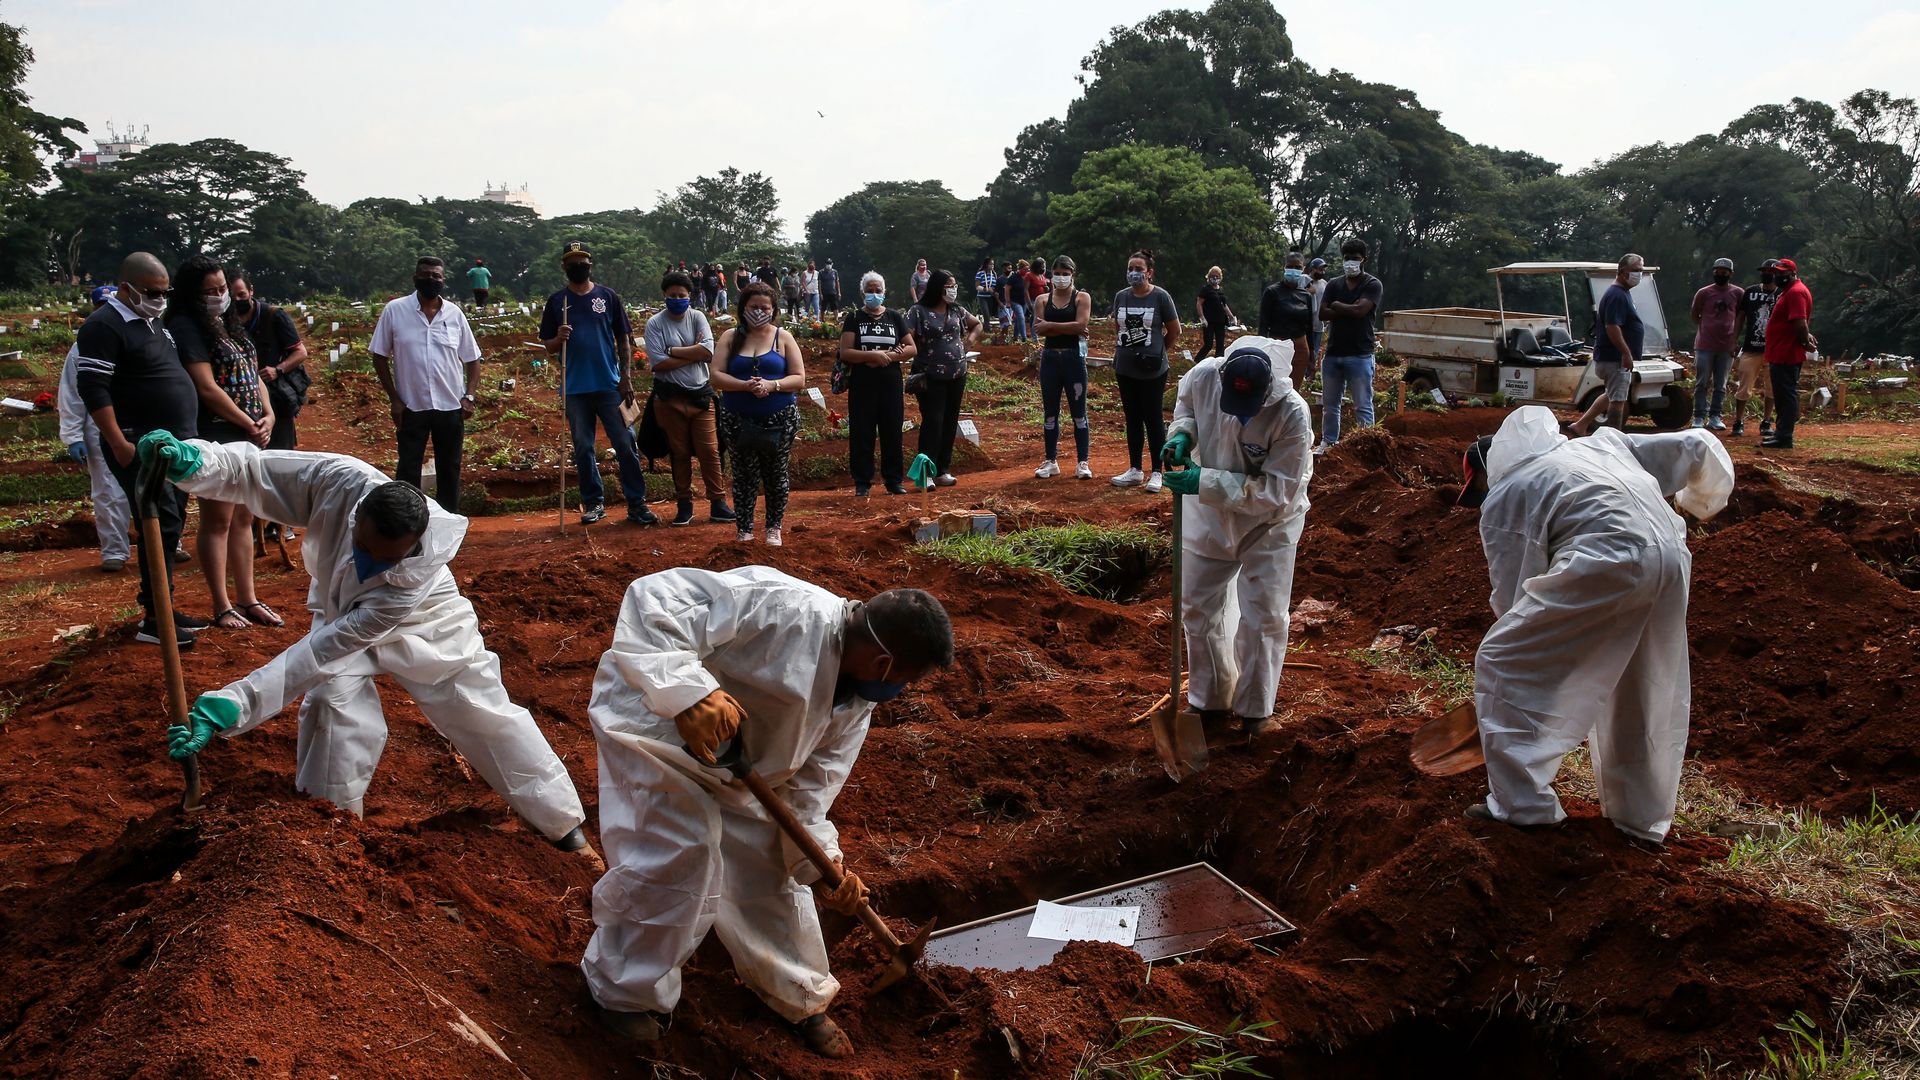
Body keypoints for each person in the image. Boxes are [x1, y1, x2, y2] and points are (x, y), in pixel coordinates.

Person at [146, 434, 594, 855]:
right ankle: (330, 829)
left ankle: (557, 819)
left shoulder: (406, 584)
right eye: (364, 547)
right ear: (357, 515)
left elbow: (323, 652)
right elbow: (251, 470)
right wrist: (195, 460)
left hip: (429, 621)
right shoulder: (340, 480)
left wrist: (236, 701)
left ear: (412, 544)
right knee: (330, 705)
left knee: (475, 704)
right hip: (340, 612)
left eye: (386, 557)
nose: (368, 562)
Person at [581, 569, 954, 1057]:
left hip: (743, 767)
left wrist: (824, 865)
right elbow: (654, 597)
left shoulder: (858, 701)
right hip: (656, 731)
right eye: (904, 679)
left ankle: (800, 995)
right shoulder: (780, 607)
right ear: (884, 661)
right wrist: (687, 692)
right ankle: (626, 994)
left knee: (774, 870)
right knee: (682, 854)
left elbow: (809, 794)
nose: (898, 689)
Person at [1455, 406, 1734, 844]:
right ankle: (1639, 822)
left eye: (1479, 487)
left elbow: (1513, 592)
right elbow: (1695, 444)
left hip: (1606, 561)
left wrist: (1517, 686)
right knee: (1640, 686)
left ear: (1493, 468)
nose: (1482, 497)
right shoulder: (1602, 444)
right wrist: (1700, 500)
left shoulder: (1509, 493)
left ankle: (1521, 807)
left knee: (1503, 660)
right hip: (1669, 555)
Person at [1161, 336, 1314, 737]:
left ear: (1268, 390)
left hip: (1268, 526)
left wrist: (1204, 480)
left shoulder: (1292, 415)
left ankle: (1255, 711)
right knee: (1197, 605)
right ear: (1223, 378)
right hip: (1209, 514)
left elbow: (1275, 493)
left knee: (1263, 616)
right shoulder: (1204, 376)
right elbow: (1187, 407)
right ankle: (1210, 700)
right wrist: (1182, 434)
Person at [74, 252, 207, 647]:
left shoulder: (152, 322)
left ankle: (163, 607)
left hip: (171, 444)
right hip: (139, 444)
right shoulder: (104, 326)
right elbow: (93, 389)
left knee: (170, 524)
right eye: (153, 291)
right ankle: (155, 619)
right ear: (127, 288)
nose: (160, 298)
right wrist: (119, 443)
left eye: (165, 291)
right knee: (158, 521)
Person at [167, 255, 278, 631]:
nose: (218, 296)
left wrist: (269, 415)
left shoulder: (229, 325)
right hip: (218, 431)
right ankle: (222, 604)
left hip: (250, 430)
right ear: (191, 294)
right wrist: (249, 422)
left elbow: (253, 374)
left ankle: (248, 598)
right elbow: (206, 387)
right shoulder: (186, 328)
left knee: (245, 516)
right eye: (210, 291)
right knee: (218, 519)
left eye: (222, 289)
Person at [539, 241, 656, 526]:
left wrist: (626, 377)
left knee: (626, 443)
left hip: (610, 385)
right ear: (564, 267)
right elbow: (548, 347)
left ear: (590, 265)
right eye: (572, 262)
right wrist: (559, 338)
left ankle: (636, 503)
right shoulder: (557, 302)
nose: (577, 266)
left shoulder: (608, 296)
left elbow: (624, 340)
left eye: (582, 261)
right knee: (583, 447)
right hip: (575, 388)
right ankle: (593, 502)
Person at [369, 256, 480, 514]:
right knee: (408, 468)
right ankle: (407, 523)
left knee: (450, 468)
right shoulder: (395, 311)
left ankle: (447, 523)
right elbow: (379, 356)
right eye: (426, 274)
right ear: (415, 278)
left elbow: (473, 359)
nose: (431, 279)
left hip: (450, 405)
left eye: (436, 276)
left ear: (443, 280)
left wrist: (470, 396)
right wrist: (394, 399)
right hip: (411, 406)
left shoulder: (454, 314)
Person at [714, 283, 806, 546]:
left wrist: (771, 385)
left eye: (765, 307)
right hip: (737, 419)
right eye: (753, 307)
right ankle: (744, 529)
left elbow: (799, 378)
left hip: (779, 418)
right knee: (743, 474)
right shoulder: (730, 337)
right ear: (743, 308)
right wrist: (744, 385)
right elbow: (716, 375)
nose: (759, 312)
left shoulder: (783, 337)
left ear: (774, 309)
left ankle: (773, 528)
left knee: (776, 473)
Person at [643, 270, 734, 526]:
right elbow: (657, 363)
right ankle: (684, 505)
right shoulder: (655, 323)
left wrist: (671, 350)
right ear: (665, 296)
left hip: (701, 396)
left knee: (710, 451)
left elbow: (708, 350)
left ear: (690, 296)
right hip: (670, 399)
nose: (677, 299)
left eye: (682, 295)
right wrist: (692, 353)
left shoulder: (697, 317)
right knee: (679, 453)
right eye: (672, 295)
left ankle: (718, 503)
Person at [56, 285, 132, 572]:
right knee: (107, 490)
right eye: (101, 306)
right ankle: (114, 550)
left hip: (137, 421)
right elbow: (72, 394)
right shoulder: (81, 348)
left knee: (154, 484)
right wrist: (74, 436)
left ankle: (166, 544)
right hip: (98, 424)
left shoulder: (134, 336)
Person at [838, 272, 915, 496]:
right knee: (862, 431)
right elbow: (846, 352)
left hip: (890, 382)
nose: (874, 294)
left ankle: (893, 480)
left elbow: (911, 347)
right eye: (870, 290)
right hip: (862, 383)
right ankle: (862, 482)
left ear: (884, 292)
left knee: (892, 430)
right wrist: (872, 356)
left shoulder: (894, 317)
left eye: (878, 291)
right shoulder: (854, 317)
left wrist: (888, 356)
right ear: (863, 292)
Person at [1110, 250, 1181, 492]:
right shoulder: (1121, 296)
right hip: (1125, 367)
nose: (1134, 273)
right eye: (1130, 268)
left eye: (1139, 269)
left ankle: (1157, 471)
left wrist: (1159, 351)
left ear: (1149, 272)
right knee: (1132, 418)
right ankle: (1135, 469)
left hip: (1153, 370)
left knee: (1153, 418)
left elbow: (1174, 330)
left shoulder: (1161, 297)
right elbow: (1117, 327)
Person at [905, 269, 982, 488]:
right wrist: (917, 347)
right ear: (938, 287)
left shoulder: (957, 310)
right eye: (949, 285)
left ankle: (941, 470)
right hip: (930, 375)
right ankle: (924, 474)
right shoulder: (918, 311)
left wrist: (968, 343)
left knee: (950, 421)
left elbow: (977, 325)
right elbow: (906, 335)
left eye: (954, 285)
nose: (953, 289)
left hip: (957, 374)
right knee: (933, 422)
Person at [231, 270, 308, 454]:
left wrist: (277, 370)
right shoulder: (225, 322)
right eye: (232, 296)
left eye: (241, 294)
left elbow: (300, 352)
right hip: (241, 400)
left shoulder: (274, 316)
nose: (238, 300)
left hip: (274, 396)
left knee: (279, 452)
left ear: (251, 291)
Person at [1316, 239, 1383, 451]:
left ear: (1364, 259)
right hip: (1334, 352)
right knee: (1330, 405)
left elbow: (1360, 311)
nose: (1350, 263)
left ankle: (1365, 446)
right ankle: (1328, 442)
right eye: (1347, 258)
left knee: (1363, 405)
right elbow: (1322, 313)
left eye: (1355, 258)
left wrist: (1336, 305)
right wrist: (1346, 308)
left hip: (1361, 353)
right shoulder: (1334, 284)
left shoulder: (1372, 284)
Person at [1031, 256, 1093, 480]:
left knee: (1079, 413)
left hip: (1073, 359)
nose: (1061, 277)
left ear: (1073, 275)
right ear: (1051, 275)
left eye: (1065, 273)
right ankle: (1051, 460)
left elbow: (1081, 324)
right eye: (1057, 272)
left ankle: (1082, 461)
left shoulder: (1081, 297)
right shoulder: (1042, 299)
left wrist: (1052, 326)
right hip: (1050, 359)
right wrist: (1069, 328)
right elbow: (1041, 330)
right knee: (1050, 413)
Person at [1762, 258, 1816, 450]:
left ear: (1793, 273)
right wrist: (1805, 337)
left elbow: (1800, 322)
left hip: (1786, 352)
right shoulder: (1791, 292)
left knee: (1786, 395)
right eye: (1776, 273)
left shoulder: (1795, 293)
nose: (1778, 276)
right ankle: (1781, 434)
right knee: (1783, 395)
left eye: (1782, 273)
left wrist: (1804, 341)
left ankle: (1784, 437)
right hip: (1781, 351)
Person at [1689, 258, 1742, 431]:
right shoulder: (1703, 293)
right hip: (1705, 344)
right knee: (1701, 382)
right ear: (1713, 272)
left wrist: (1734, 339)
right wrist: (1707, 328)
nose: (1720, 274)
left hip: (1726, 346)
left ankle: (1715, 416)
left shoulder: (1738, 293)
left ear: (1731, 274)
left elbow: (1741, 316)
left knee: (1721, 383)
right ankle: (1698, 416)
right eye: (1717, 271)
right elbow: (1694, 314)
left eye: (1724, 271)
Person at [1730, 260, 1780, 438]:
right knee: (1744, 387)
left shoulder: (1782, 293)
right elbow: (1740, 317)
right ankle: (1738, 421)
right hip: (1751, 347)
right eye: (1764, 270)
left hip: (1773, 350)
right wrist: (1734, 340)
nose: (1767, 273)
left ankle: (1766, 421)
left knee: (1771, 388)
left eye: (1771, 271)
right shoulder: (1750, 292)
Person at [1256, 254, 1313, 385]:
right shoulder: (1272, 292)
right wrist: (1260, 350)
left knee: (1295, 387)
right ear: (1284, 268)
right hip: (1277, 344)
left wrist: (1312, 355)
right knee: (1274, 386)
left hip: (1300, 346)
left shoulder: (1306, 296)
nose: (1293, 270)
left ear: (1303, 269)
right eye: (1290, 266)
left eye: (1297, 267)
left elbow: (1309, 326)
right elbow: (1263, 324)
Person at [1193, 266, 1235, 362]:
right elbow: (1199, 303)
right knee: (1208, 344)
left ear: (1220, 277)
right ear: (1208, 277)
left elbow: (1224, 305)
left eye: (1217, 276)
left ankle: (1218, 364)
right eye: (1213, 276)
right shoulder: (1206, 289)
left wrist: (1231, 316)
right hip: (1209, 322)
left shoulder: (1220, 290)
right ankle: (1197, 361)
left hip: (1220, 321)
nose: (1215, 278)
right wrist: (1202, 318)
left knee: (1220, 345)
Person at [1306, 258, 1328, 366]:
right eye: (1320, 269)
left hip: (1319, 324)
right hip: (1305, 325)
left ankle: (1310, 375)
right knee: (1305, 352)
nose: (1322, 272)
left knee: (1314, 352)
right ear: (1313, 269)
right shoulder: (1305, 280)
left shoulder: (1324, 284)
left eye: (1323, 270)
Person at [1004, 259, 1032, 343]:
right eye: (1025, 269)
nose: (1027, 271)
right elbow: (1007, 289)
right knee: (1021, 317)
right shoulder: (1014, 277)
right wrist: (1008, 301)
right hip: (1014, 301)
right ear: (1020, 269)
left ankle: (1015, 336)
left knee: (1018, 319)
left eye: (1028, 269)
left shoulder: (1028, 277)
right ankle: (1024, 338)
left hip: (1024, 301)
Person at [973, 257, 998, 323]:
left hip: (991, 297)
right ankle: (987, 330)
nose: (992, 266)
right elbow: (977, 286)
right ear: (986, 264)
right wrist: (986, 289)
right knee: (986, 314)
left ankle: (986, 328)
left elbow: (995, 285)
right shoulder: (980, 273)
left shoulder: (994, 274)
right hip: (982, 297)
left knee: (989, 314)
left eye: (993, 264)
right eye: (990, 264)